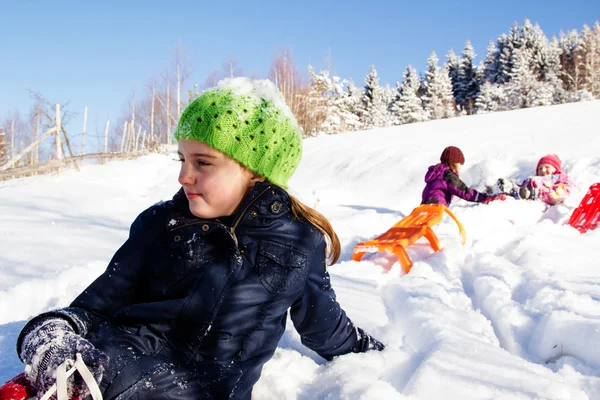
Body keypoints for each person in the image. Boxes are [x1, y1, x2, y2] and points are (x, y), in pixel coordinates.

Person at [13, 78, 384, 400]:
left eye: (202, 163)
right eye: (182, 160)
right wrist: (50, 337)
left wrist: (373, 352)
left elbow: (325, 326)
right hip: (101, 380)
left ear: (255, 172)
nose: (183, 177)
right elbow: (91, 309)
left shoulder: (299, 242)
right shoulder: (160, 224)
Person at [421, 146, 500, 206]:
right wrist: (485, 198)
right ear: (454, 162)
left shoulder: (437, 173)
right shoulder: (448, 175)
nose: (460, 168)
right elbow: (463, 191)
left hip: (425, 205)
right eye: (459, 164)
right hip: (436, 205)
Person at [497, 154, 573, 205]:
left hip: (546, 206)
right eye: (540, 168)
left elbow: (564, 192)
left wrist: (534, 194)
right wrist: (512, 187)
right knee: (504, 197)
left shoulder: (559, 178)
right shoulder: (532, 180)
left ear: (555, 169)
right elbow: (522, 190)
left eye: (547, 167)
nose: (543, 170)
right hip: (526, 203)